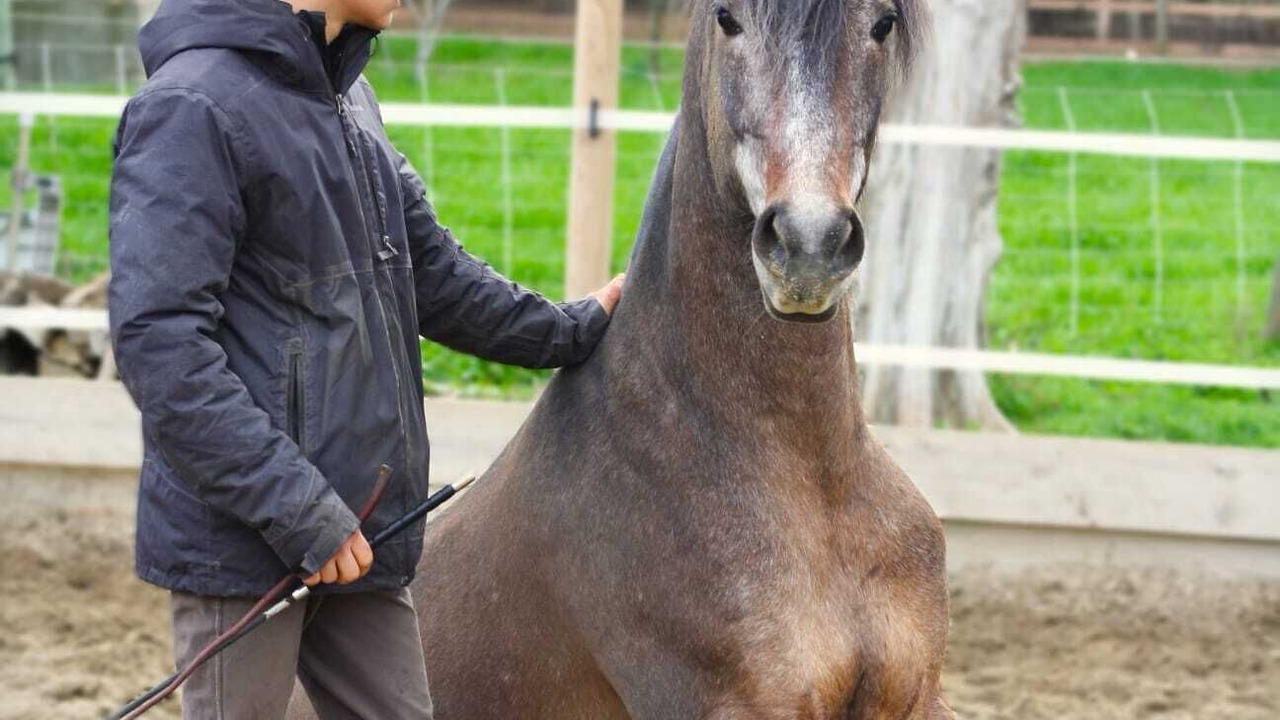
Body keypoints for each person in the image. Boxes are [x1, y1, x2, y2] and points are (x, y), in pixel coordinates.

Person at [107, 0, 624, 717]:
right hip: (245, 545)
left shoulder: (347, 97)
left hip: (361, 529)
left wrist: (572, 329)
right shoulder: (189, 108)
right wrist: (299, 511)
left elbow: (433, 272)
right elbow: (160, 345)